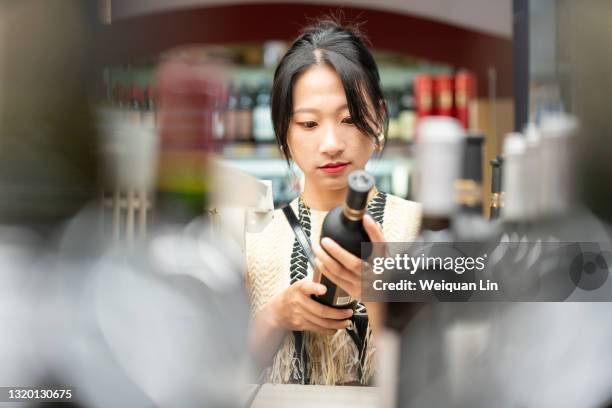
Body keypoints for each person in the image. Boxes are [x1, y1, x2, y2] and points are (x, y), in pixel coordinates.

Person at [246, 17, 422, 385]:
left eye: (349, 119)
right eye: (309, 124)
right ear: (283, 131)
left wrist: (381, 295)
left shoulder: (423, 230)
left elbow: (444, 371)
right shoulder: (257, 240)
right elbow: (221, 373)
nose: (331, 143)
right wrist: (276, 316)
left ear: (379, 115)